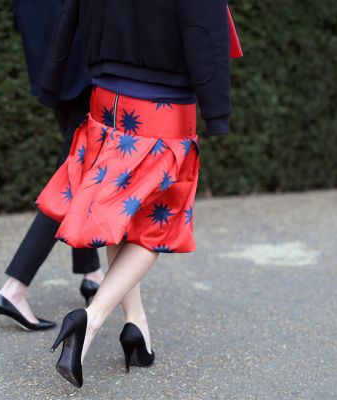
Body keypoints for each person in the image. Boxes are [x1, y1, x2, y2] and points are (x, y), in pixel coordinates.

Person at [37, 0, 241, 387]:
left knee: (125, 215)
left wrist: (51, 80)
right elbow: (205, 30)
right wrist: (217, 113)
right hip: (163, 108)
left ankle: (136, 326)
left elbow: (69, 12)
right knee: (159, 227)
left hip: (106, 99)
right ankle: (90, 319)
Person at [0, 0, 104, 332]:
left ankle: (91, 272)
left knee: (81, 166)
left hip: (50, 52)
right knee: (76, 169)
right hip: (81, 53)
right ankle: (13, 288)